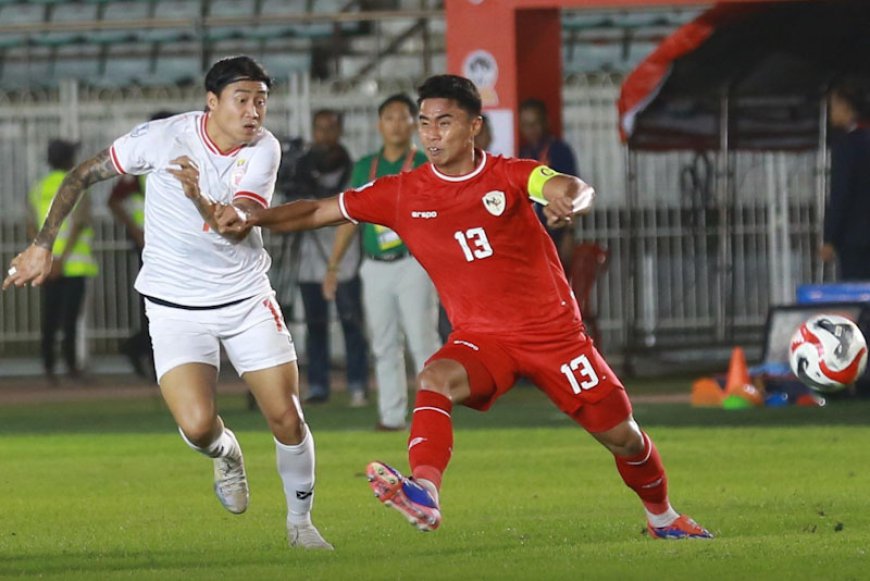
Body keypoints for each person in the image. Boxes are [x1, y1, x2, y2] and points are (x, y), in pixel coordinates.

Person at [214, 74, 712, 540]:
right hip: (482, 338)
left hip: (554, 337)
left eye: (445, 121)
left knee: (624, 436)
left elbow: (568, 187)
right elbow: (321, 210)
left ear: (474, 126)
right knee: (435, 377)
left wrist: (570, 202)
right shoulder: (402, 192)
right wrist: (255, 218)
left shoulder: (509, 175)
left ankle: (662, 516)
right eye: (425, 122)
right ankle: (425, 492)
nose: (431, 134)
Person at [5, 56, 332, 550]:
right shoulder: (161, 138)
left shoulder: (263, 149)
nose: (253, 112)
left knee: (286, 416)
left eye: (261, 101)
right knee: (199, 426)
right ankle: (226, 454)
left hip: (244, 299)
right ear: (212, 102)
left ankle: (301, 524)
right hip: (174, 305)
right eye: (242, 100)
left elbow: (235, 222)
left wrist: (197, 195)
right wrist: (42, 245)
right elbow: (80, 176)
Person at [322, 93, 439, 431]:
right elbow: (348, 219)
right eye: (390, 117)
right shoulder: (365, 167)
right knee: (384, 343)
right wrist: (333, 266)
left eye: (404, 117)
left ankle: (432, 415)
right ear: (379, 124)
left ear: (413, 124)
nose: (397, 124)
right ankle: (391, 416)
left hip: (413, 263)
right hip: (374, 265)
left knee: (423, 341)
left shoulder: (422, 164)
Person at [290, 109, 369, 405]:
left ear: (339, 131)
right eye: (319, 128)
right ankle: (318, 386)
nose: (324, 134)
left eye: (330, 128)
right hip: (308, 258)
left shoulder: (352, 168)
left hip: (344, 257)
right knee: (315, 324)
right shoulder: (301, 169)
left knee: (351, 322)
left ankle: (357, 383)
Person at [107, 110, 175, 379]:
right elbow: (113, 200)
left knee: (172, 305)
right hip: (151, 246)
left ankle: (143, 350)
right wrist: (136, 230)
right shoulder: (143, 162)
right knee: (156, 303)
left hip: (175, 244)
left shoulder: (186, 160)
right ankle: (143, 350)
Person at [25, 139, 99, 383]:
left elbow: (30, 226)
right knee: (70, 320)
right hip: (73, 265)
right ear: (69, 160)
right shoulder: (76, 186)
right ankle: (71, 367)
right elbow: (78, 226)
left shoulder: (38, 188)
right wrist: (61, 259)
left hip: (45, 266)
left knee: (49, 317)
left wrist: (46, 255)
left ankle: (48, 367)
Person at [518, 98, 579, 269]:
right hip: (531, 236)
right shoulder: (523, 153)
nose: (531, 130)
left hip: (556, 231)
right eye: (526, 124)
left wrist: (569, 233)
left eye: (535, 123)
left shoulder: (559, 151)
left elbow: (572, 191)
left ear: (545, 122)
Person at [820, 82, 870, 281]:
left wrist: (829, 237)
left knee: (856, 294)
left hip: (854, 238)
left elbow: (841, 193)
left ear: (844, 106)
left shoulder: (846, 146)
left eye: (832, 107)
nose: (831, 113)